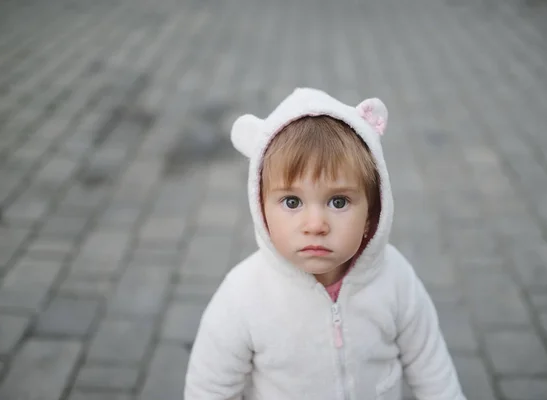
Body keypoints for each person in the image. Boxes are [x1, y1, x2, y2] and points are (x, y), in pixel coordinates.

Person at [184, 87, 466, 399]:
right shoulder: (242, 296)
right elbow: (209, 389)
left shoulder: (395, 279)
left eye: (338, 202)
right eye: (292, 202)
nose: (316, 225)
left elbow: (431, 368)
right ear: (261, 208)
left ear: (371, 217)